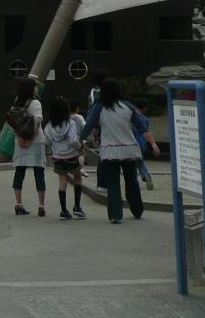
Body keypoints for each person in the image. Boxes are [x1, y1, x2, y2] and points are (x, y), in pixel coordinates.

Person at [80, 78, 149, 223]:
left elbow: (89, 126)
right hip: (129, 149)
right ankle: (137, 210)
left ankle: (116, 214)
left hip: (110, 150)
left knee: (113, 183)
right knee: (132, 181)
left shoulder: (99, 107)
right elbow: (141, 126)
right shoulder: (128, 106)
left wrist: (79, 140)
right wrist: (153, 144)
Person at [7, 77, 46, 217]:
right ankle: (41, 206)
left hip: (20, 142)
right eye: (35, 86)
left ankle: (18, 204)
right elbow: (37, 122)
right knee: (39, 172)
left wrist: (19, 138)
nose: (36, 88)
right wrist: (30, 139)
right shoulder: (36, 103)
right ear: (31, 89)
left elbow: (13, 122)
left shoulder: (16, 102)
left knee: (19, 172)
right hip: (36, 141)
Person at [43, 96, 85, 220]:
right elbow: (73, 141)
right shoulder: (70, 123)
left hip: (57, 157)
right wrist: (80, 148)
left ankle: (63, 211)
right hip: (71, 156)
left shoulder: (49, 125)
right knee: (77, 178)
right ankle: (77, 207)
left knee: (62, 181)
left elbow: (46, 141)